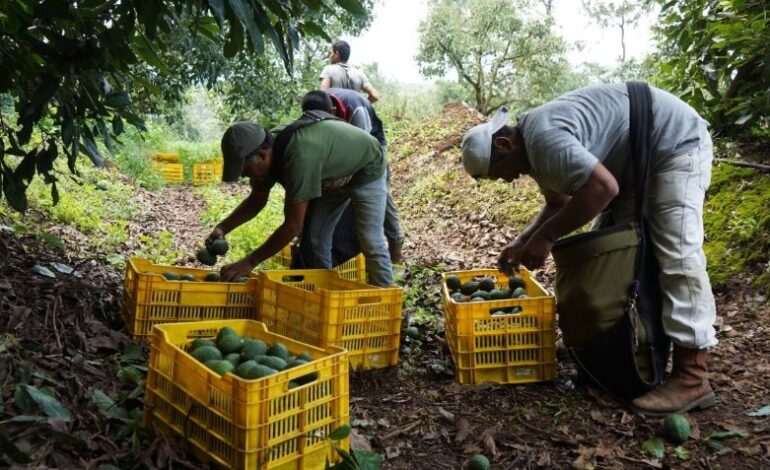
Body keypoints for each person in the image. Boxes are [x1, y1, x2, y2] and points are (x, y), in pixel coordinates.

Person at [460, 84, 717, 415]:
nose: (506, 181)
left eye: (499, 174)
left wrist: (547, 238)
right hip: (633, 166)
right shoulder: (533, 150)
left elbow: (602, 188)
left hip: (672, 144)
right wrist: (524, 240)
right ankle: (627, 349)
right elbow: (559, 203)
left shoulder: (543, 139)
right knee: (618, 259)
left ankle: (692, 375)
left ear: (504, 144)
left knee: (677, 255)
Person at [208, 118, 393, 287]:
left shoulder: (298, 157)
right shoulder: (265, 154)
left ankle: (386, 302)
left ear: (263, 156)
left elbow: (292, 226)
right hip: (329, 176)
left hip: (366, 166)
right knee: (316, 239)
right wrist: (222, 228)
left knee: (370, 240)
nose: (246, 176)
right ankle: (324, 292)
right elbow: (256, 200)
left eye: (246, 171)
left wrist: (249, 262)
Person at [301, 89, 405, 263]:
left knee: (380, 193)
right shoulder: (316, 108)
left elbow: (362, 151)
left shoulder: (356, 109)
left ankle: (395, 249)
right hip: (344, 145)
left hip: (372, 148)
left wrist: (343, 176)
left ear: (333, 112)